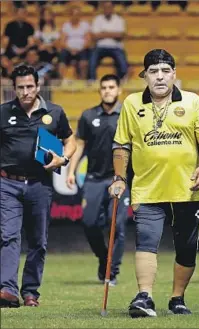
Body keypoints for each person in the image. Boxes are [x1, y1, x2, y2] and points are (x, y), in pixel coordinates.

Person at [108, 49, 199, 317]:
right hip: (147, 188)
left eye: (166, 71)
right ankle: (144, 297)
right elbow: (122, 144)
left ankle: (177, 298)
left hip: (187, 188)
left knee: (187, 247)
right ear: (144, 76)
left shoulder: (192, 101)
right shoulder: (132, 103)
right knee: (146, 240)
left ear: (174, 75)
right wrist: (120, 177)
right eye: (153, 71)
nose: (160, 77)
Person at [0, 65, 76, 308]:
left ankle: (31, 292)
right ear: (14, 89)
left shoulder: (54, 112)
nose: (25, 92)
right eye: (20, 87)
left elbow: (70, 139)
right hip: (7, 184)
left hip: (40, 185)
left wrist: (63, 159)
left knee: (38, 241)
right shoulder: (2, 113)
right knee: (8, 236)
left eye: (29, 86)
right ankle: (7, 290)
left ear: (38, 86)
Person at [66, 74, 129, 286]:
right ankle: (104, 259)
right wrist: (71, 171)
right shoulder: (88, 115)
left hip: (118, 179)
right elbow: (80, 145)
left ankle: (112, 272)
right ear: (99, 91)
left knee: (117, 225)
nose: (108, 91)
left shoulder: (127, 115)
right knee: (89, 223)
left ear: (119, 89)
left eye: (112, 87)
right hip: (93, 178)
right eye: (104, 87)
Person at [88, 1, 129, 81]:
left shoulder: (119, 19)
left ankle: (122, 79)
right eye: (105, 7)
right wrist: (113, 33)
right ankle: (92, 79)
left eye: (109, 7)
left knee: (121, 58)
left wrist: (103, 33)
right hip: (100, 47)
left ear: (113, 8)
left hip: (115, 47)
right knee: (92, 58)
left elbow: (120, 35)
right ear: (103, 8)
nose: (107, 9)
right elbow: (95, 36)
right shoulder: (97, 19)